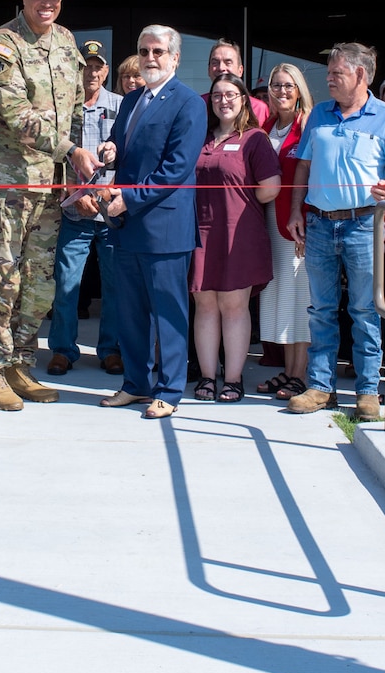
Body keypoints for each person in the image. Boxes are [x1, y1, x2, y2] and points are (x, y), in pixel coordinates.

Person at [0, 0, 97, 411]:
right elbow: (14, 111)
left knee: (39, 281)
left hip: (51, 185)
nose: (48, 3)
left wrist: (74, 158)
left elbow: (77, 106)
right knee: (1, 277)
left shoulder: (66, 41)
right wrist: (71, 150)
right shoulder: (3, 43)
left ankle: (19, 364)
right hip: (8, 183)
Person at [285, 43, 385, 421]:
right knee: (321, 310)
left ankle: (367, 392)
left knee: (365, 310)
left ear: (360, 75)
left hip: (363, 225)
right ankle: (320, 387)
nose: (329, 79)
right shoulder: (320, 114)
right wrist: (296, 212)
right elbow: (302, 168)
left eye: (336, 73)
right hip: (320, 223)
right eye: (329, 72)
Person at [96, 25, 208, 419]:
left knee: (168, 313)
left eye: (158, 51)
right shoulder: (130, 101)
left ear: (175, 58)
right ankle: (136, 384)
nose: (150, 58)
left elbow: (175, 169)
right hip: (127, 228)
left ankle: (170, 390)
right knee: (130, 312)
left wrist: (128, 198)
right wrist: (110, 149)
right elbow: (122, 147)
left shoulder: (189, 103)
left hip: (163, 227)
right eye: (144, 51)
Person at [191, 72, 281, 402]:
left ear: (243, 100)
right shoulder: (201, 137)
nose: (223, 101)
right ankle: (207, 376)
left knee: (233, 305)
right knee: (205, 304)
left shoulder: (254, 139)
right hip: (201, 231)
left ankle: (232, 378)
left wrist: (234, 204)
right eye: (217, 96)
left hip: (239, 234)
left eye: (231, 94)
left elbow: (270, 189)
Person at [48, 39, 124, 376]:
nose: (91, 72)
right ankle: (63, 350)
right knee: (66, 285)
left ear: (106, 71)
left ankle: (111, 350)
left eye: (96, 66)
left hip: (111, 212)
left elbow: (131, 155)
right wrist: (74, 192)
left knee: (115, 287)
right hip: (75, 209)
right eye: (85, 66)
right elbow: (54, 156)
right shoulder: (64, 107)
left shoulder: (122, 106)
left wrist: (111, 194)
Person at [255, 63, 315, 400]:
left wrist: (302, 218)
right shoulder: (266, 127)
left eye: (289, 86)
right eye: (276, 86)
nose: (281, 91)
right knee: (281, 298)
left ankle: (300, 373)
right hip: (268, 226)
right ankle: (288, 371)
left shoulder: (307, 125)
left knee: (300, 299)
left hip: (297, 226)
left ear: (300, 89)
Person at [207, 39, 271, 127]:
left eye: (228, 62)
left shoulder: (259, 108)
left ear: (240, 70)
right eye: (215, 63)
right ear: (208, 70)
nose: (221, 67)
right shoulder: (199, 104)